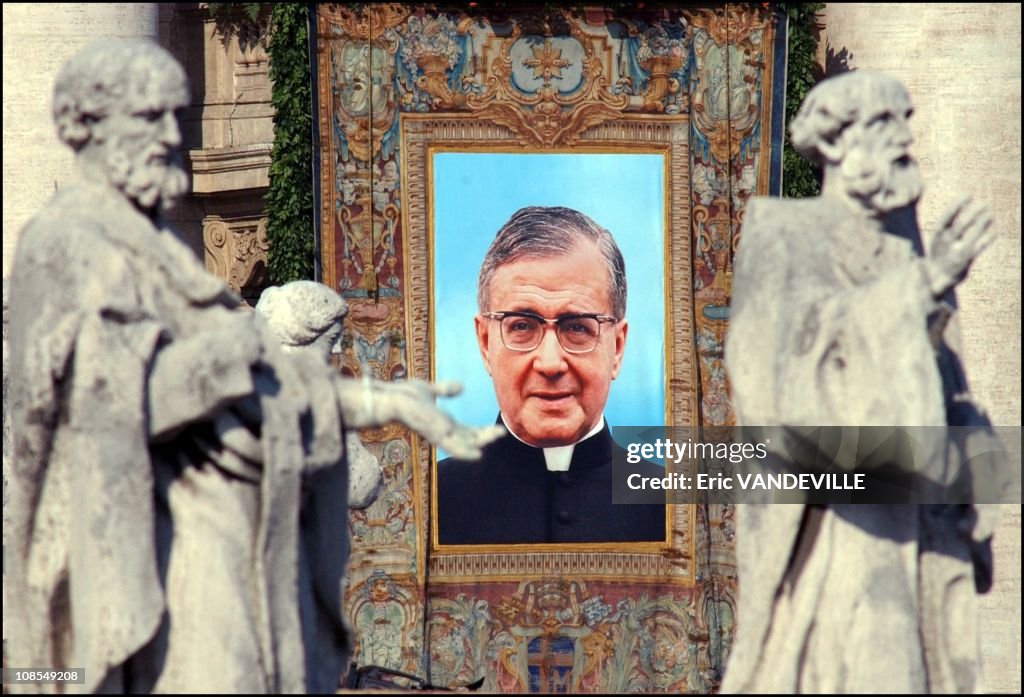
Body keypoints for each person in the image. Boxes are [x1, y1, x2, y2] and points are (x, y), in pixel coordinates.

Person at [6, 39, 499, 694]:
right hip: (143, 557)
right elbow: (81, 407)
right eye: (149, 117)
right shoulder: (64, 245)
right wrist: (232, 353)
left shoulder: (152, 247)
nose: (167, 136)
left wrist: (384, 404)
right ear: (92, 128)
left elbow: (261, 390)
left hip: (221, 553)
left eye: (171, 117)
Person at [722, 71, 1003, 692]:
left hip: (923, 525)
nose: (904, 138)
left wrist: (972, 471)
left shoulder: (909, 249)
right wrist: (919, 288)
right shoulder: (783, 232)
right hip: (842, 523)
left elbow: (947, 382)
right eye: (883, 124)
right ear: (837, 141)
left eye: (905, 121)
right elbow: (768, 374)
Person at [436, 206, 666, 545]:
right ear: (485, 343)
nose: (550, 363)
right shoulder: (425, 504)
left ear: (616, 348)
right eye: (522, 326)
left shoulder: (677, 511)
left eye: (576, 327)